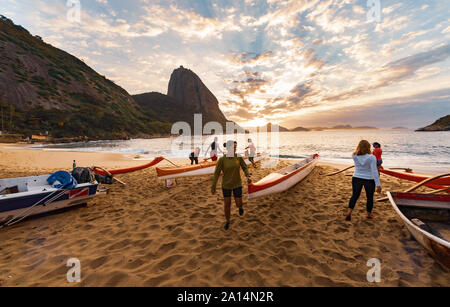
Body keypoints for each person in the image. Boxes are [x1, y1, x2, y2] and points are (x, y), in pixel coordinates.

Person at [212, 141, 251, 230]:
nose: (234, 149)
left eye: (235, 147)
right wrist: (213, 186)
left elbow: (244, 167)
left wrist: (247, 175)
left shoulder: (238, 157)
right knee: (227, 204)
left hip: (237, 184)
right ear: (228, 148)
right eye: (233, 147)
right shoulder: (222, 160)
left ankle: (240, 207)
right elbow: (217, 173)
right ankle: (228, 221)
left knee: (238, 203)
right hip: (226, 185)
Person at [345, 140, 382, 221]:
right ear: (368, 147)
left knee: (355, 196)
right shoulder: (372, 157)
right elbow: (374, 171)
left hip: (356, 177)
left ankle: (349, 213)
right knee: (369, 197)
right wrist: (378, 184)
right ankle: (368, 215)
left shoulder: (354, 155)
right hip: (369, 179)